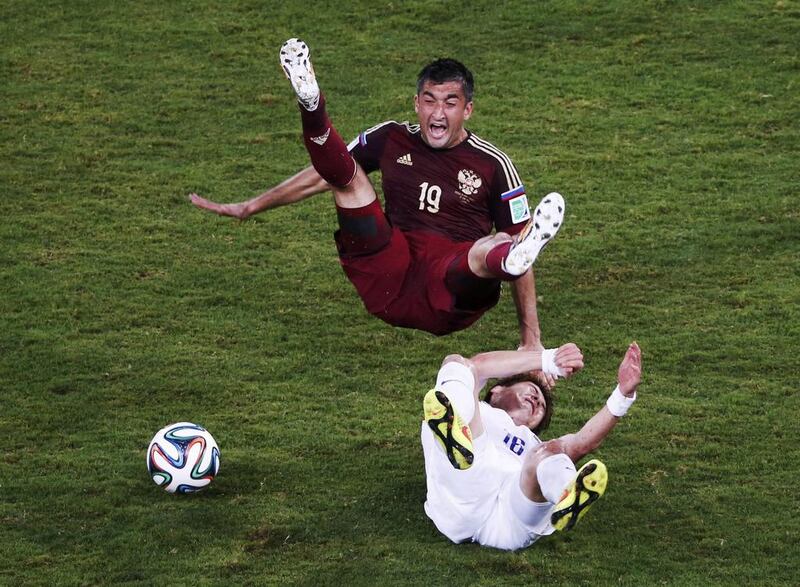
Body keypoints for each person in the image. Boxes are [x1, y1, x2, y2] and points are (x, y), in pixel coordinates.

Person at [190, 40, 563, 372]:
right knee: (348, 177)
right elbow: (325, 172)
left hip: (448, 285)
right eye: (429, 101)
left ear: (468, 110)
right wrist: (252, 205)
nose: (437, 114)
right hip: (391, 271)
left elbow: (519, 246)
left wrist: (531, 339)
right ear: (416, 102)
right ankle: (310, 102)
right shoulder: (392, 138)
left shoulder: (493, 164)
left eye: (450, 103)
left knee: (496, 245)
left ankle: (507, 259)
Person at [421, 341, 642, 551]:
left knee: (552, 452)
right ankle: (453, 424)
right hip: (467, 485)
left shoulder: (532, 442)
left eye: (541, 407)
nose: (537, 400)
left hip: (512, 516)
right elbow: (477, 365)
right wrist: (548, 360)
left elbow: (582, 443)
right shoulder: (479, 408)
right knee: (457, 364)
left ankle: (567, 495)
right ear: (496, 391)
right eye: (531, 391)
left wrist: (623, 395)